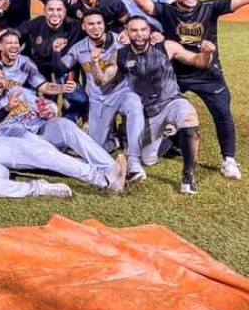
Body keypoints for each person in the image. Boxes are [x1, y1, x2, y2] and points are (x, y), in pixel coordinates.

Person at [125, 0, 249, 179]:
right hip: (174, 74)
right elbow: (144, 5)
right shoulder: (167, 11)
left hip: (207, 73)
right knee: (156, 109)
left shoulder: (211, 7)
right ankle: (167, 142)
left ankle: (228, 160)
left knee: (222, 113)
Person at [91, 15, 215, 194]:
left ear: (149, 31)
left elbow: (198, 61)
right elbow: (102, 80)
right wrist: (95, 64)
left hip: (172, 101)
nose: (139, 34)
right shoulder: (121, 55)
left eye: (143, 29)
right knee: (148, 159)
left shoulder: (166, 47)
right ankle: (168, 134)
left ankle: (188, 175)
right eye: (134, 30)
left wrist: (207, 53)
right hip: (148, 113)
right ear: (127, 32)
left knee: (188, 119)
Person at [0, 64, 127, 194]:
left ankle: (110, 167)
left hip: (42, 129)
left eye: (1, 77)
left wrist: (50, 110)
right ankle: (103, 178)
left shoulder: (16, 90)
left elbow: (44, 104)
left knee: (64, 125)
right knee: (40, 146)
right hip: (23, 144)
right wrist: (7, 108)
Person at [53, 10, 148, 182]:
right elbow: (61, 68)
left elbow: (143, 39)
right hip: (98, 101)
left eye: (99, 23)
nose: (95, 27)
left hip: (122, 93)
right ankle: (116, 141)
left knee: (134, 103)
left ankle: (134, 163)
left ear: (104, 25)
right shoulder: (79, 48)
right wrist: (56, 52)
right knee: (97, 149)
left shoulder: (120, 41)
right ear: (84, 27)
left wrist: (137, 35)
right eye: (90, 24)